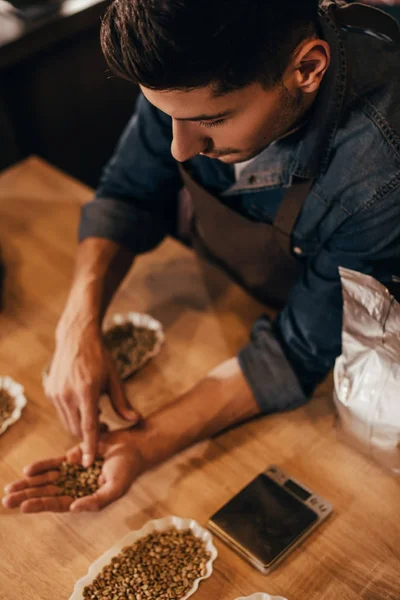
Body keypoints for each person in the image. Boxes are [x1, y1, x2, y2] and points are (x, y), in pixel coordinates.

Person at [3, 0, 400, 512]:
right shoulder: (186, 67)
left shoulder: (378, 167)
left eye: (212, 120)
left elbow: (298, 350)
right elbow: (128, 193)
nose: (180, 149)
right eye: (167, 116)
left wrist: (144, 444)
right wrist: (76, 324)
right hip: (232, 301)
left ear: (306, 69)